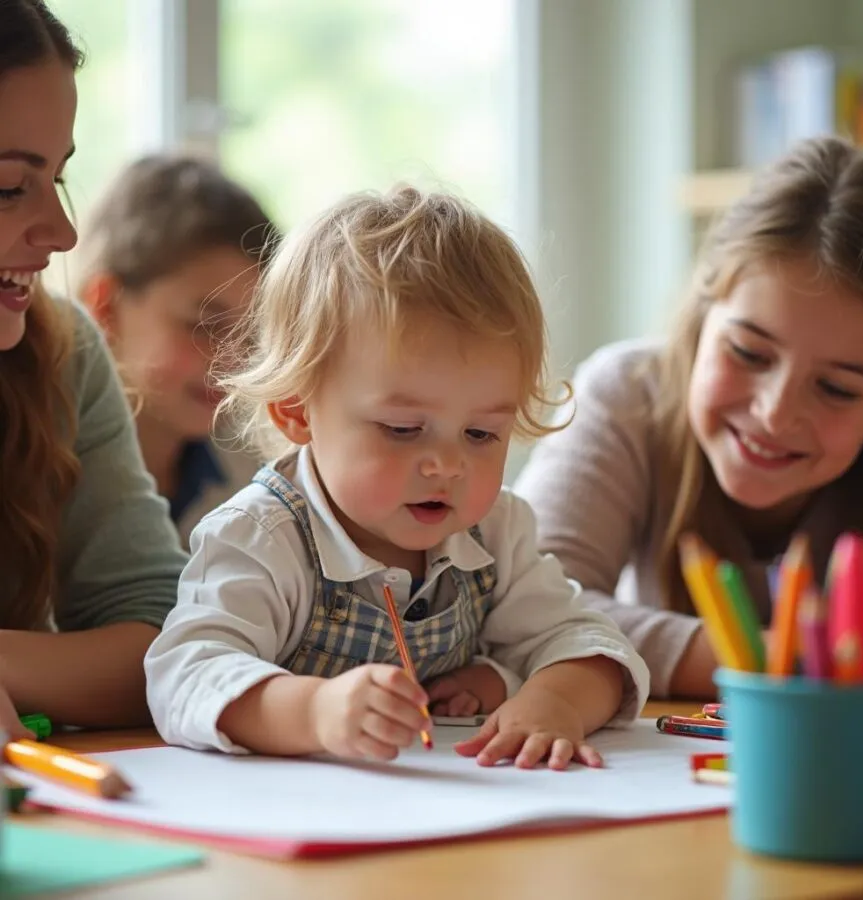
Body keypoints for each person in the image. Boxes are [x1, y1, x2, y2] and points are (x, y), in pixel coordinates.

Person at [145, 185, 650, 769]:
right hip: (306, 830)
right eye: (404, 429)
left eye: (482, 434)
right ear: (298, 410)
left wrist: (552, 700)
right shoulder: (261, 536)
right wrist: (315, 712)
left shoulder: (495, 531)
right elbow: (187, 673)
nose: (448, 465)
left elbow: (593, 645)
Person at [515, 136, 863, 700]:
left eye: (838, 389)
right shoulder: (627, 394)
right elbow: (526, 608)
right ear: (700, 320)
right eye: (748, 353)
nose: (774, 414)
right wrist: (772, 659)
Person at [0, 0, 187, 736]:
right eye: (9, 186)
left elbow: (174, 644)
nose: (64, 232)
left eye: (60, 178)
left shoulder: (63, 350)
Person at [78, 154, 278, 543]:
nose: (234, 361)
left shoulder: (258, 475)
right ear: (105, 306)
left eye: (251, 333)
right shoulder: (36, 470)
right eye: (204, 325)